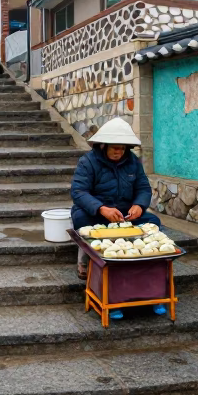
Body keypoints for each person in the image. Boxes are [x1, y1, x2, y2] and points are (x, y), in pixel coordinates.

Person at [69, 117, 166, 318]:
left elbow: (143, 188)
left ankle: (144, 270)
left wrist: (139, 205)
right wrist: (101, 208)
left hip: (124, 217)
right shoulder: (88, 162)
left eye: (122, 148)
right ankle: (86, 260)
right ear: (103, 145)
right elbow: (78, 192)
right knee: (82, 222)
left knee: (153, 223)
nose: (118, 152)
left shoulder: (133, 163)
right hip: (95, 213)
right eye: (114, 148)